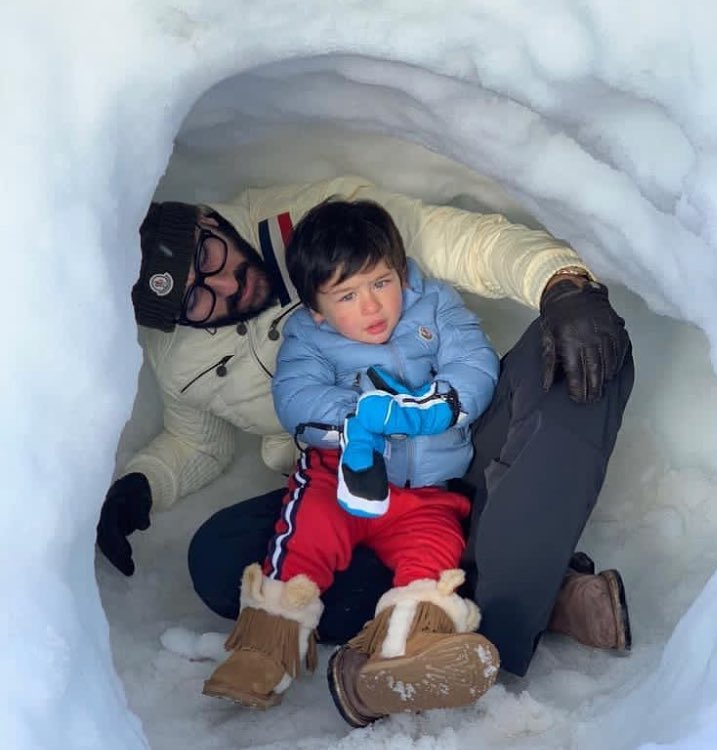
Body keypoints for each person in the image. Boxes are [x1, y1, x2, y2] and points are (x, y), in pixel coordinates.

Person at [97, 174, 633, 679]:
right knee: (219, 560)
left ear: (207, 219)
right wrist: (142, 483)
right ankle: (490, 599)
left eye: (208, 255)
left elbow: (463, 243)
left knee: (584, 355)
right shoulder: (176, 358)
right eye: (196, 296)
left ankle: (495, 610)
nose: (226, 282)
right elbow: (196, 443)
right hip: (355, 479)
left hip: (463, 441)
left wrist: (562, 284)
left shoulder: (321, 221)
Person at [202, 199, 501, 724]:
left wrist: (442, 406)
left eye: (382, 283)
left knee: (434, 561)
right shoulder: (307, 336)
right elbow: (296, 399)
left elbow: (474, 361)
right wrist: (359, 418)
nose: (373, 307)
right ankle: (264, 651)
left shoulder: (434, 306)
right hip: (339, 479)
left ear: (401, 272)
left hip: (427, 493)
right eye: (348, 294)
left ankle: (404, 655)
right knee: (303, 540)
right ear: (318, 308)